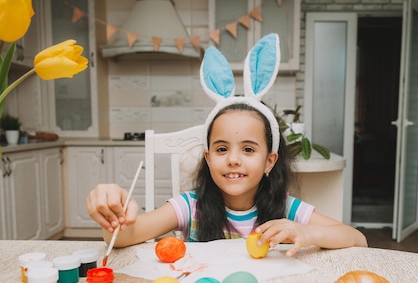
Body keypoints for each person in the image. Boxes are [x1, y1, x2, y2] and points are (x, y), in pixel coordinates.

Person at [86, 34, 367, 256]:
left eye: (248, 149)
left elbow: (357, 239)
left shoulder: (285, 209)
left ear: (269, 161)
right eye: (221, 149)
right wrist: (113, 212)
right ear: (208, 158)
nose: (233, 159)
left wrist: (307, 233)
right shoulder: (190, 207)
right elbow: (122, 238)